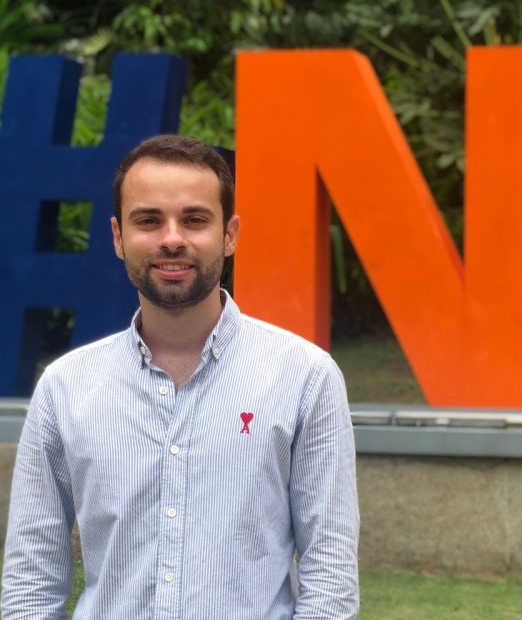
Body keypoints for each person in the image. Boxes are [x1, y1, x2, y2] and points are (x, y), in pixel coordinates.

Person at [2, 135, 360, 619]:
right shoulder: (65, 387)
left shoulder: (304, 377)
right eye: (148, 220)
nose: (172, 238)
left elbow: (330, 573)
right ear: (117, 236)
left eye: (195, 219)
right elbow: (31, 576)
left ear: (229, 234)